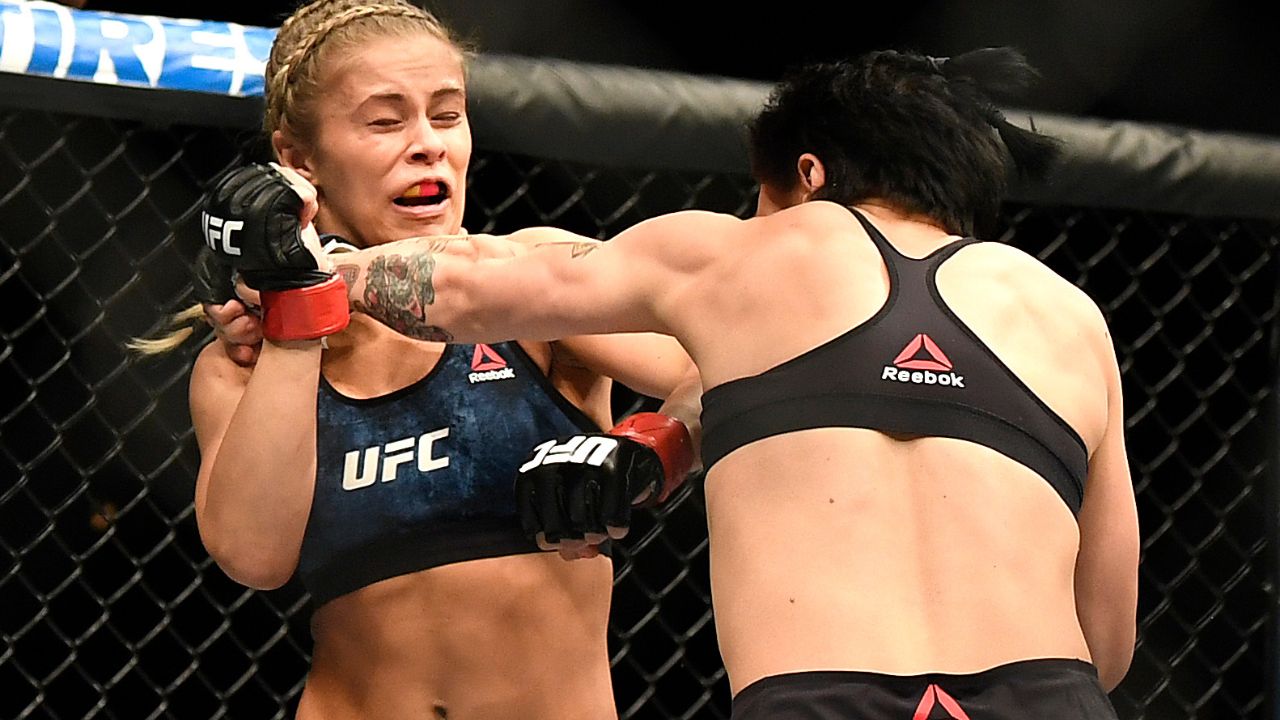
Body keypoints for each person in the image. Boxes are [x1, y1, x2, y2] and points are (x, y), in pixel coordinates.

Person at [208, 47, 1140, 718]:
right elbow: (1108, 641)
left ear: (804, 174)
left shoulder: (736, 257)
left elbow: (466, 284)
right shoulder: (1070, 318)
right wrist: (668, 441)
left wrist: (307, 271)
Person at [176, 1, 696, 718]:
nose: (428, 146)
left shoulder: (540, 280)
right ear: (299, 161)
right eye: (385, 122)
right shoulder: (243, 355)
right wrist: (298, 317)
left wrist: (655, 450)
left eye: (446, 115)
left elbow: (739, 363)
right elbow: (254, 555)